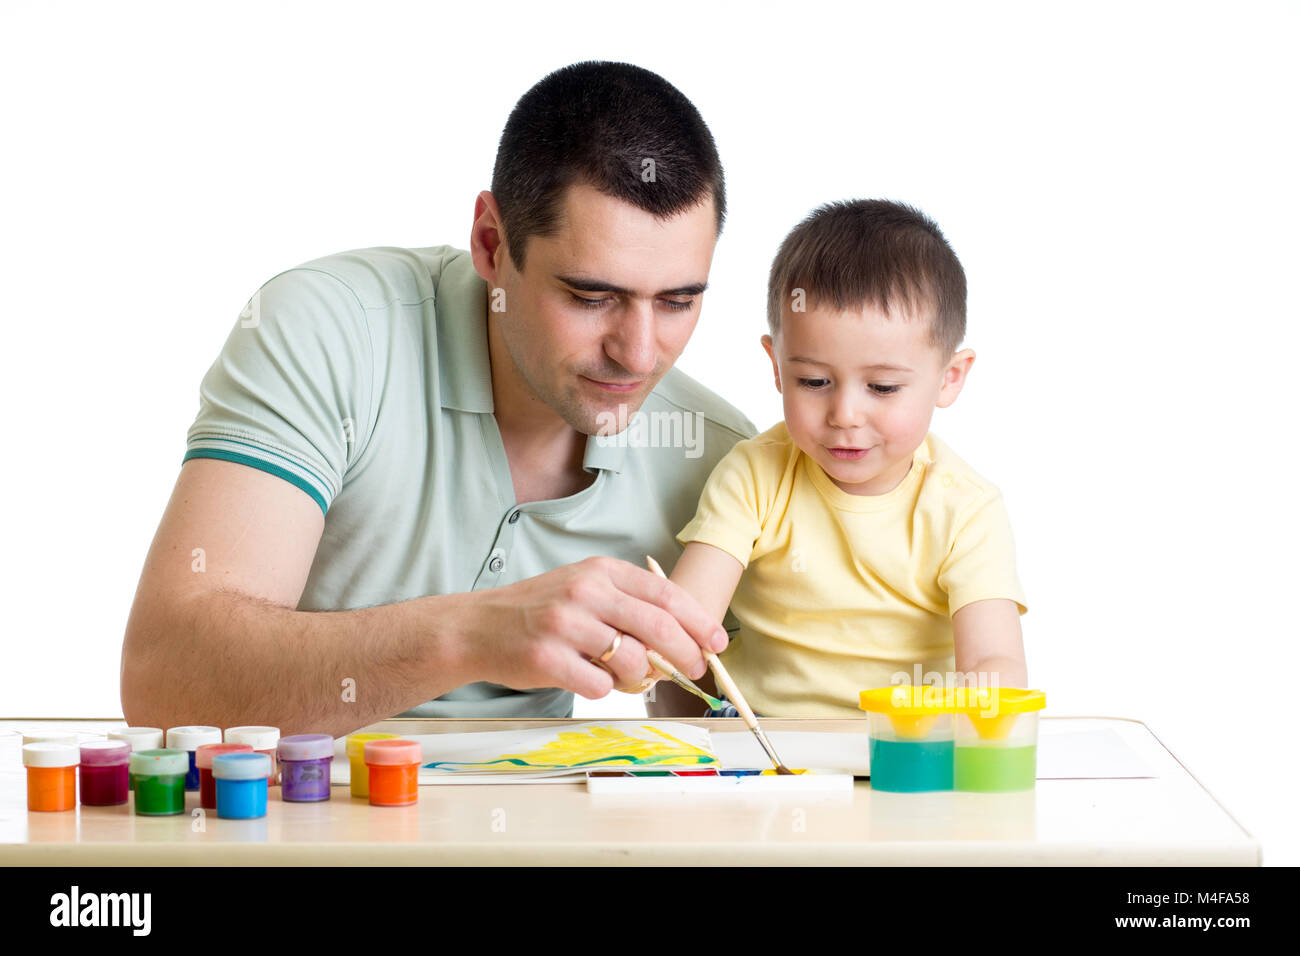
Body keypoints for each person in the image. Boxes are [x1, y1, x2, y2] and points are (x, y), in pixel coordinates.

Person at [120, 61, 758, 738]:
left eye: (679, 302)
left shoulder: (716, 454)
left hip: (533, 838)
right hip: (290, 824)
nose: (638, 353)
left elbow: (721, 737)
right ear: (491, 242)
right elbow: (165, 679)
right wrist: (474, 633)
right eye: (591, 296)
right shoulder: (330, 331)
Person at [648, 199, 1029, 718]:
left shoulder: (966, 508)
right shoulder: (755, 475)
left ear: (950, 378)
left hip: (905, 748)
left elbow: (995, 660)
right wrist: (656, 646)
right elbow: (687, 622)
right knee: (673, 700)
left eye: (883, 386)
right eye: (814, 381)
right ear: (777, 367)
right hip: (761, 747)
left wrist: (974, 717)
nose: (845, 414)